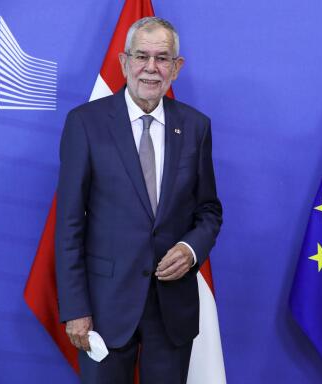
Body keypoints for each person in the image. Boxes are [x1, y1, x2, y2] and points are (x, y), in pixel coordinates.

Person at [55, 16, 222, 383]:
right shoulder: (85, 123)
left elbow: (208, 210)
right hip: (104, 308)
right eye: (141, 56)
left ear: (176, 68)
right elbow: (68, 223)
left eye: (162, 58)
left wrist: (191, 249)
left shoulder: (196, 127)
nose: (150, 68)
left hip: (172, 309)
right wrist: (76, 308)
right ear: (123, 62)